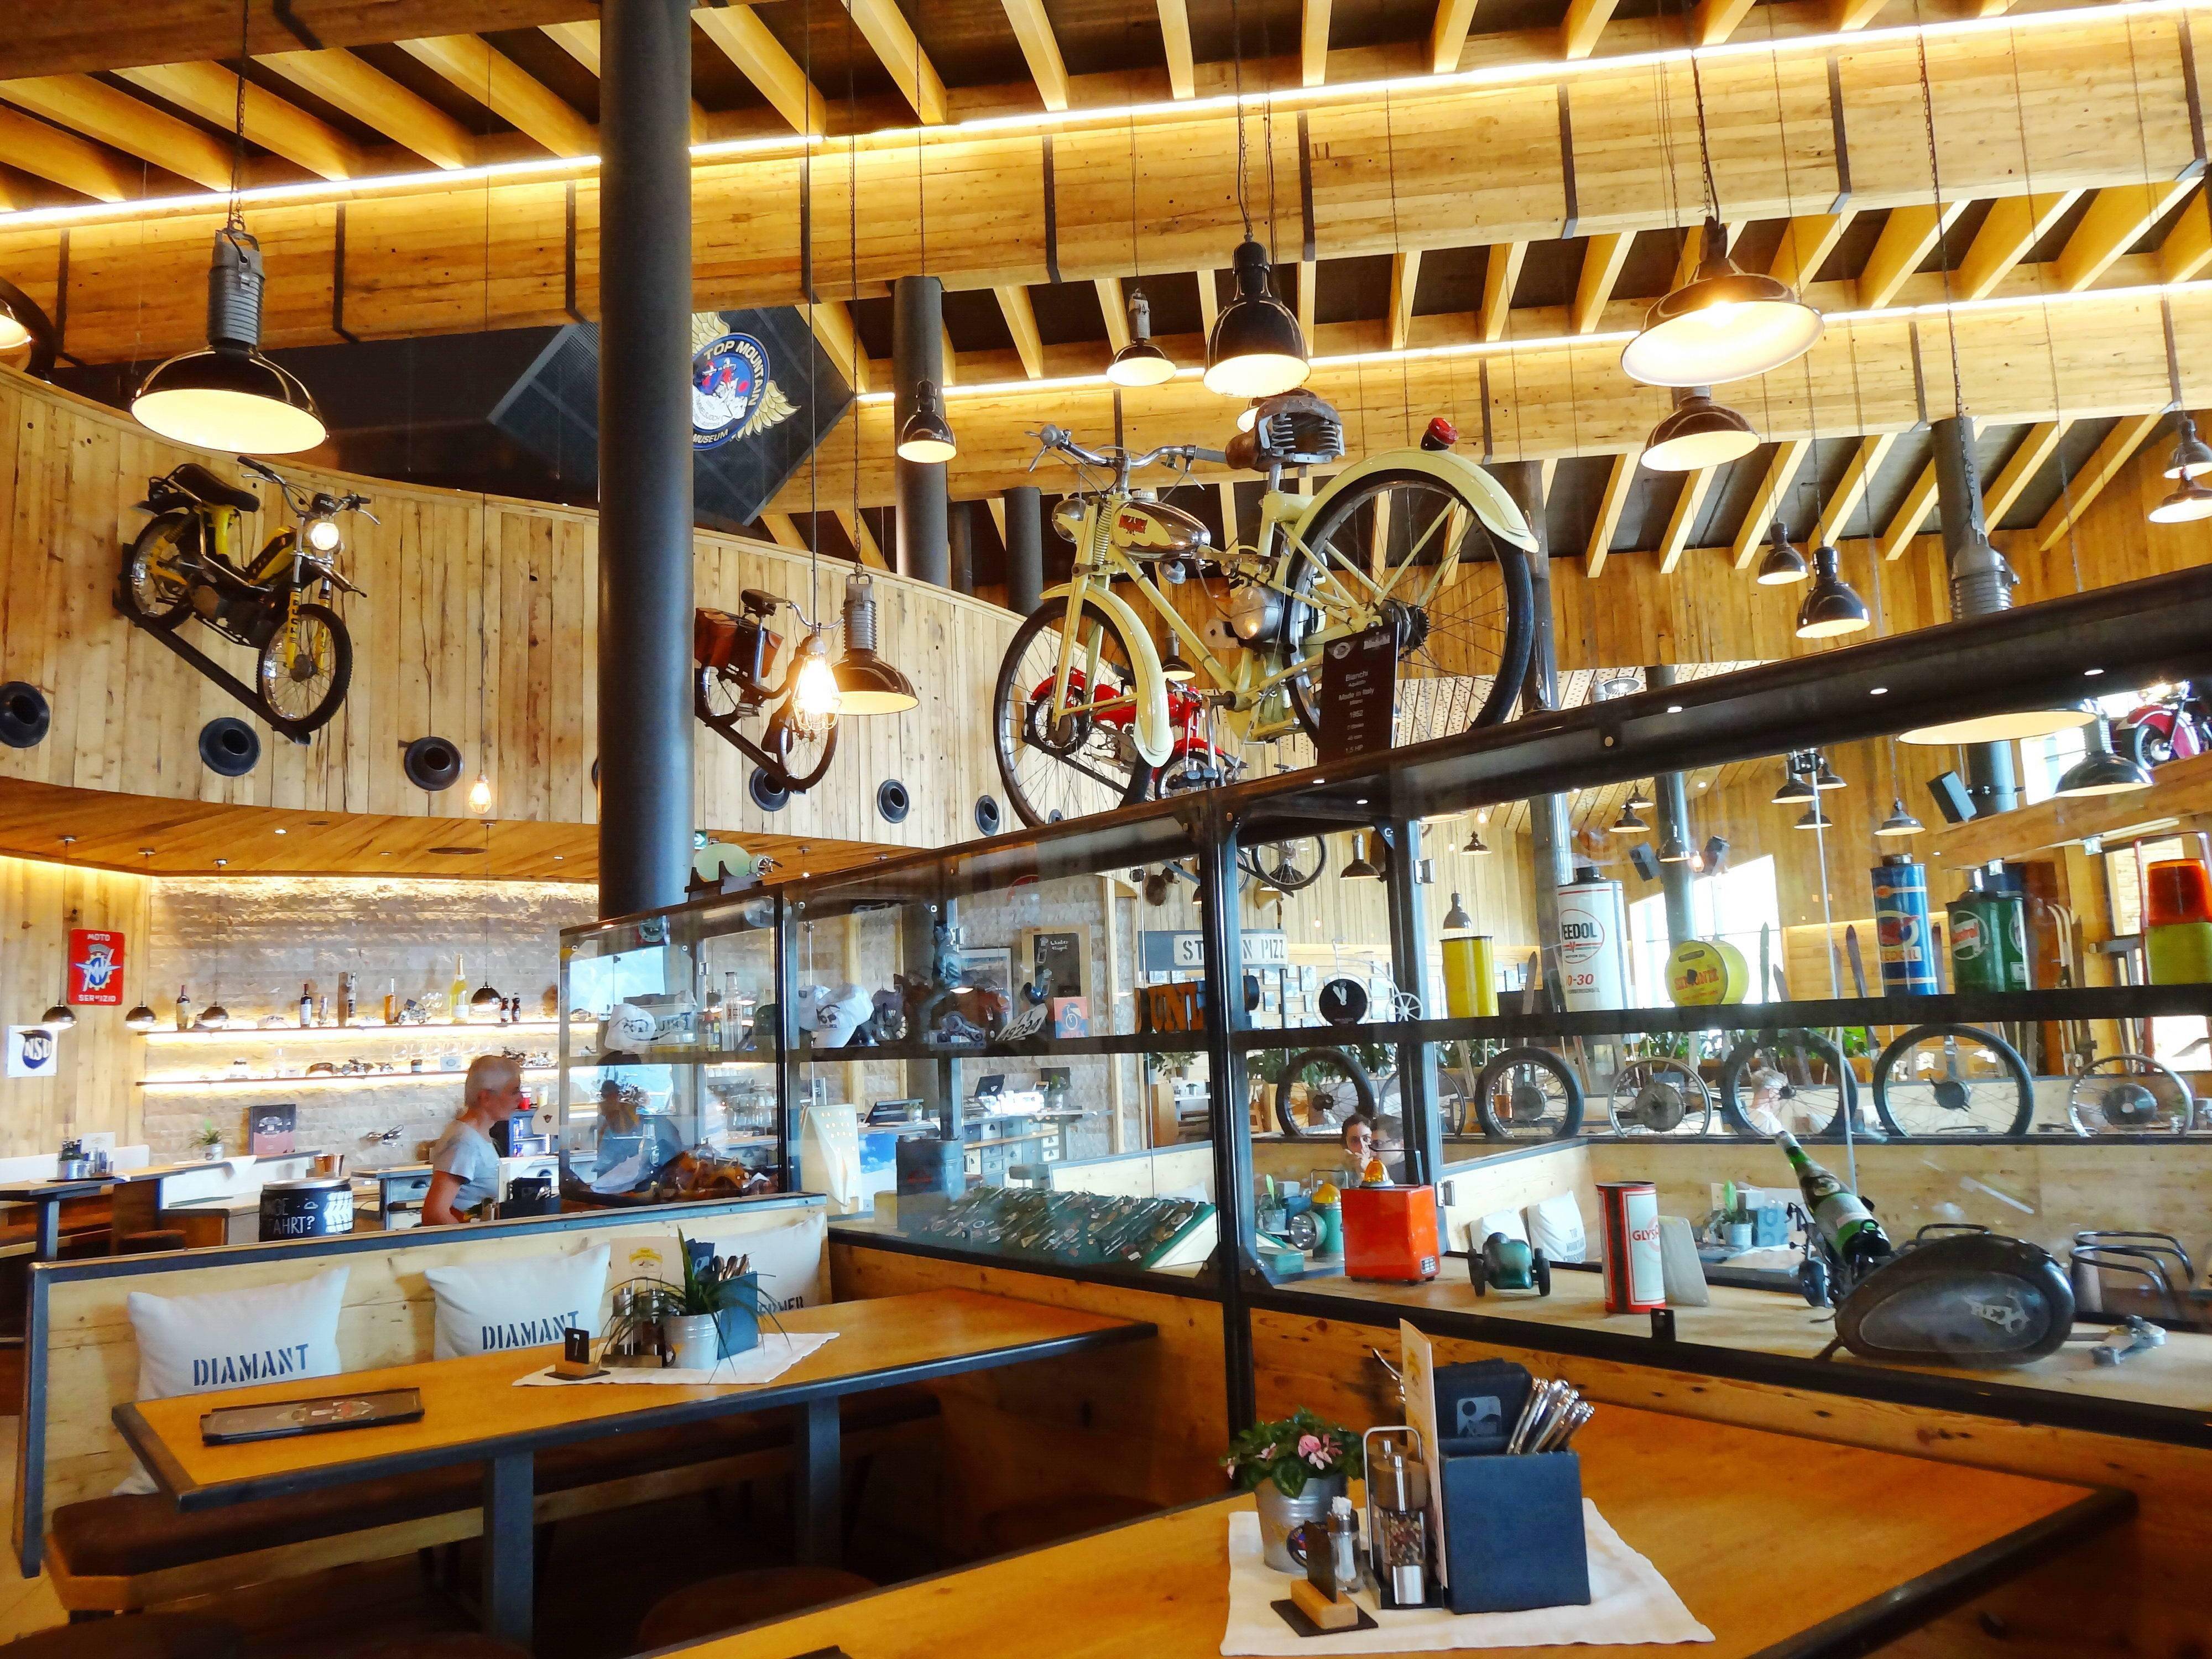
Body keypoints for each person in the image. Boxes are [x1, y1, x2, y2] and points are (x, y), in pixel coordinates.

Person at [422, 1054, 526, 1225]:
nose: (520, 1099)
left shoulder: (478, 1136)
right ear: (486, 1097)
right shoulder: (465, 1141)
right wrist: (472, 1241)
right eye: (513, 1092)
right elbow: (435, 1214)